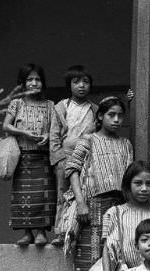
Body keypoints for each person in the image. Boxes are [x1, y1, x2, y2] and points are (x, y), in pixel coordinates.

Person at [65, 97, 133, 271]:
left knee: (114, 255)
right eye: (111, 115)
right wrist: (80, 203)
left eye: (120, 115)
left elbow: (129, 179)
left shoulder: (126, 144)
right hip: (92, 206)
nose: (116, 120)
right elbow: (72, 169)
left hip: (118, 206)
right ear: (101, 116)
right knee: (90, 256)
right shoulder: (88, 140)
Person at [3, 63, 55, 246]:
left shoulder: (50, 105)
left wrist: (48, 135)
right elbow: (6, 125)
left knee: (43, 195)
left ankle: (41, 232)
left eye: (38, 79)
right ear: (23, 83)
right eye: (30, 79)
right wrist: (24, 133)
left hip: (43, 157)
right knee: (23, 196)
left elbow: (57, 129)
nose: (34, 83)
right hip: (23, 157)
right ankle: (27, 233)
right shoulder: (16, 104)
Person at [49, 65, 97, 247]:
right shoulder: (62, 106)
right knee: (63, 194)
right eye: (76, 82)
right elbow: (54, 135)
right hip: (65, 155)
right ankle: (61, 232)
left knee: (82, 194)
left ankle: (76, 232)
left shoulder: (94, 109)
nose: (81, 86)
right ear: (69, 85)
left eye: (85, 82)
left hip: (85, 157)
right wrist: (58, 158)